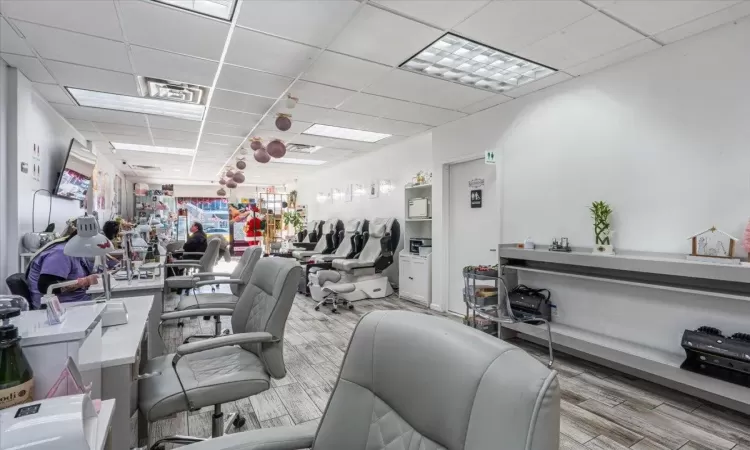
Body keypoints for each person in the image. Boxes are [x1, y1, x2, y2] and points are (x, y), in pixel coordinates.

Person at [26, 219, 99, 309]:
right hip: (57, 308)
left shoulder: (76, 252)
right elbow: (46, 286)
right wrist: (84, 282)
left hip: (76, 301)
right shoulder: (61, 253)